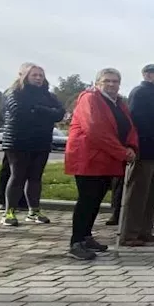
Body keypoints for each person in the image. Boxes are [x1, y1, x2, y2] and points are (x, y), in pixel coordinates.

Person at [65, 68, 138, 260]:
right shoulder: (89, 99)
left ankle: (86, 236)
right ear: (98, 83)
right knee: (86, 201)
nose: (112, 84)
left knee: (96, 200)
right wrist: (122, 152)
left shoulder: (118, 103)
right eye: (107, 81)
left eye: (115, 81)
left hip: (107, 159)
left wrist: (131, 146)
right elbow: (96, 130)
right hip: (88, 158)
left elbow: (129, 126)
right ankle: (76, 242)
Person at [0, 63, 65, 226]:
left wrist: (38, 110)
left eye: (41, 75)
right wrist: (44, 112)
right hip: (18, 141)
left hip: (41, 141)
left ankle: (34, 210)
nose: (38, 78)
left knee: (35, 177)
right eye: (34, 75)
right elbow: (19, 111)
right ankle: (9, 212)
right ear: (25, 77)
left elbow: (59, 113)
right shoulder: (15, 92)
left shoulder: (49, 95)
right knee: (17, 176)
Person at [118, 64, 154, 246]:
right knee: (137, 195)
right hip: (144, 151)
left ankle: (145, 230)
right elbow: (137, 123)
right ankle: (130, 234)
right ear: (147, 75)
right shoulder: (140, 93)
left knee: (149, 196)